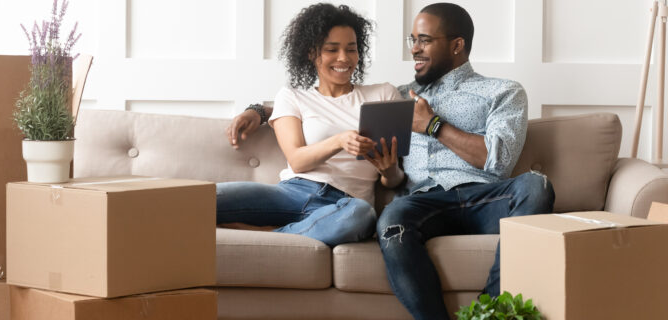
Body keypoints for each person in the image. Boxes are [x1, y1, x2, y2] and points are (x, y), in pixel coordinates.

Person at [230, 3, 555, 318]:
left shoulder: (502, 91)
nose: (414, 49)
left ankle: (493, 313)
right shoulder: (400, 95)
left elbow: (498, 159)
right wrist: (258, 111)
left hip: (486, 197)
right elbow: (321, 99)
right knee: (390, 220)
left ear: (457, 45)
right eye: (412, 40)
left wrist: (433, 124)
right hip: (423, 203)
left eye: (424, 40)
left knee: (536, 185)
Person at [217, 3, 404, 247]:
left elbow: (395, 178)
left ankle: (269, 236)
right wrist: (339, 141)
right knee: (203, 198)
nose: (343, 58)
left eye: (351, 49)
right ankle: (299, 232)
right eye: (331, 49)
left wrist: (389, 172)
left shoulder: (384, 95)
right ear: (311, 52)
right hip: (291, 193)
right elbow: (297, 159)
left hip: (346, 203)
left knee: (362, 216)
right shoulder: (292, 96)